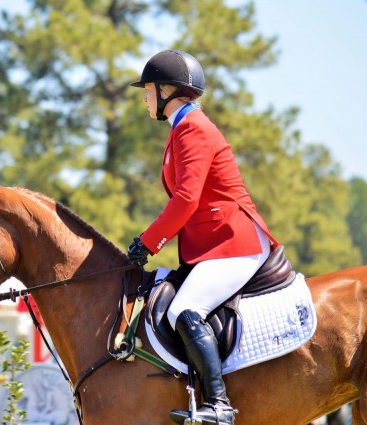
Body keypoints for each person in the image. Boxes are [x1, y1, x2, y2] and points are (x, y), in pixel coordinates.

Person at [127, 50, 279, 425]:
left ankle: (220, 405)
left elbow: (186, 199)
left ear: (166, 90)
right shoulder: (182, 127)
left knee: (184, 310)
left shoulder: (191, 127)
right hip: (213, 245)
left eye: (147, 90)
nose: (145, 98)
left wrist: (149, 241)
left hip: (234, 241)